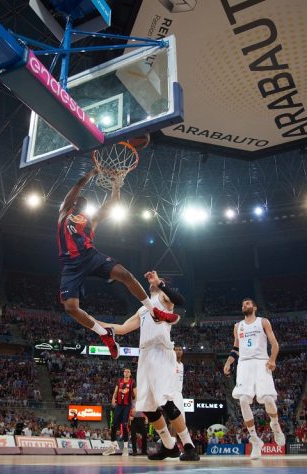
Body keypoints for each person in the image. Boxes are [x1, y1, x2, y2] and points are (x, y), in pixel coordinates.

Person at [57, 168, 180, 359]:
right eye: (78, 200)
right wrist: (91, 174)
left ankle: (154, 311)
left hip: (90, 255)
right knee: (70, 308)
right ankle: (104, 334)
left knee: (125, 275)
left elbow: (112, 204)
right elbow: (77, 186)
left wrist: (116, 184)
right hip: (70, 264)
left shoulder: (92, 219)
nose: (80, 201)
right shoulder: (65, 212)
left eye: (83, 201)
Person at [96, 270, 199, 461]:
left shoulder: (164, 298)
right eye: (152, 281)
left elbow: (181, 300)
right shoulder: (143, 309)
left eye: (157, 281)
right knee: (148, 407)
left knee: (166, 402)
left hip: (161, 351)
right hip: (145, 355)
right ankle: (169, 446)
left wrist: (159, 283)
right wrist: (95, 324)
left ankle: (189, 446)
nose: (152, 282)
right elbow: (123, 328)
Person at [223, 298, 285, 460]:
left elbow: (275, 344)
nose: (245, 305)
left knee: (268, 399)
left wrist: (272, 360)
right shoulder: (238, 326)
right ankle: (255, 440)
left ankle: (275, 425)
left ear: (255, 307)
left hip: (261, 362)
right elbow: (236, 348)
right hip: (244, 364)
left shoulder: (263, 322)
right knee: (243, 399)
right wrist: (229, 362)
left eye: (248, 304)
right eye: (243, 304)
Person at [103, 368, 135, 456]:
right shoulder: (119, 381)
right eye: (125, 371)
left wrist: (134, 407)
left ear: (130, 374)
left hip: (127, 406)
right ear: (123, 373)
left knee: (124, 426)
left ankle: (125, 448)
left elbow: (136, 395)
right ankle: (112, 447)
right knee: (113, 426)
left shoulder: (132, 382)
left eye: (128, 372)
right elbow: (115, 391)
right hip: (119, 406)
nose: (126, 373)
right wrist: (113, 399)